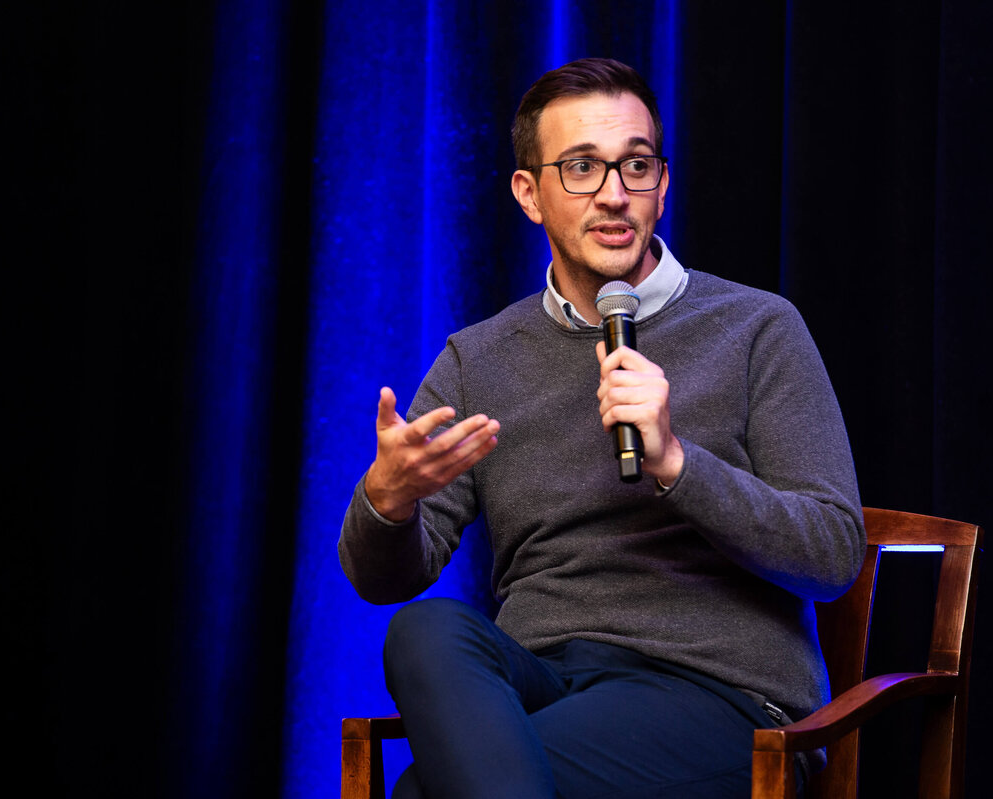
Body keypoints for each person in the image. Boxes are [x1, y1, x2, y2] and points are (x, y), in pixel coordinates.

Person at [339, 57, 864, 799]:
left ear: (662, 184)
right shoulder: (478, 359)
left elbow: (832, 553)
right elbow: (383, 578)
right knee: (422, 631)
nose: (614, 195)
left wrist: (680, 462)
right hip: (544, 682)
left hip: (717, 695)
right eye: (582, 167)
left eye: (636, 166)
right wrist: (386, 502)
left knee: (428, 791)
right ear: (530, 193)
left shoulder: (758, 329)